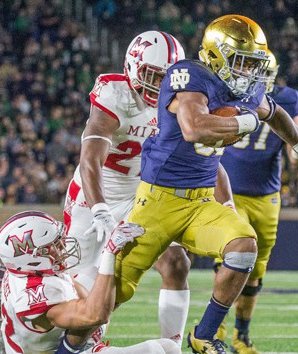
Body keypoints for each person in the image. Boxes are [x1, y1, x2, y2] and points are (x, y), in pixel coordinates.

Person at [115, 14, 298, 354]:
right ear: (216, 54)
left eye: (254, 65)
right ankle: (69, 343)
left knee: (244, 248)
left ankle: (204, 334)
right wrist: (246, 119)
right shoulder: (189, 74)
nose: (249, 72)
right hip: (158, 199)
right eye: (241, 62)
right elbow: (194, 128)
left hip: (200, 199)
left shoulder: (251, 89)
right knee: (114, 289)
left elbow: (277, 114)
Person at [63, 30, 191, 345]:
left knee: (177, 263)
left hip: (140, 198)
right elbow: (90, 160)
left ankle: (171, 346)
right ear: (132, 65)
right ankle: (72, 345)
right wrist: (100, 210)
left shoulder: (181, 101)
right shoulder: (113, 93)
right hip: (93, 197)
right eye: (151, 74)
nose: (157, 84)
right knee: (75, 290)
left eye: (165, 78)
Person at [210, 49, 298, 353]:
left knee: (257, 268)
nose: (256, 75)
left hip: (266, 195)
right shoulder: (225, 92)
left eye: (260, 70)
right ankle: (214, 330)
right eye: (250, 68)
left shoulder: (288, 99)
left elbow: (295, 144)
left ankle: (242, 335)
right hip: (230, 190)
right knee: (226, 261)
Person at [0, 210, 179, 354]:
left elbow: (86, 304)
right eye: (53, 245)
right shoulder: (32, 295)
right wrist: (109, 252)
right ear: (31, 258)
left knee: (168, 348)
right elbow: (95, 315)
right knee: (168, 350)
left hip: (56, 346)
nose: (62, 247)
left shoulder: (28, 272)